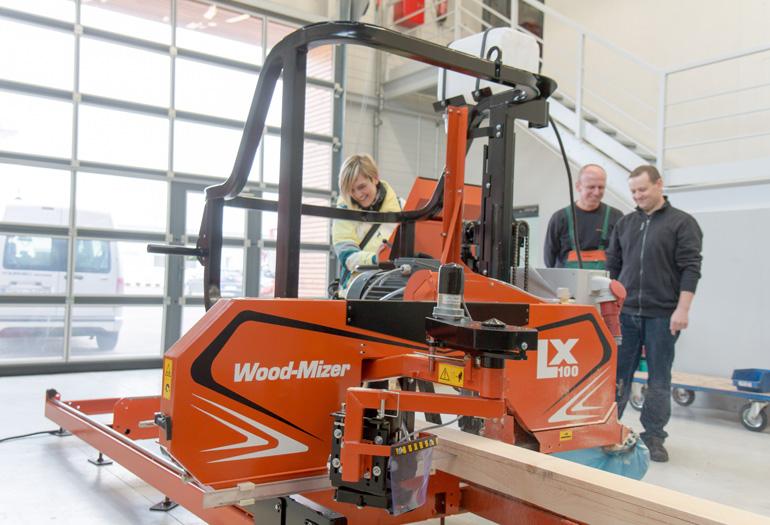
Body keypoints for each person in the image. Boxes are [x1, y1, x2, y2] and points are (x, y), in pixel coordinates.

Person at [606, 165, 703, 463]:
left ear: (659, 184)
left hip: (663, 315)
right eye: (633, 191)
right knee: (617, 375)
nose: (637, 196)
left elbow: (691, 268)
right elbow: (613, 268)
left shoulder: (682, 223)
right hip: (626, 315)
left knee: (659, 377)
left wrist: (682, 309)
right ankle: (608, 430)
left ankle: (654, 437)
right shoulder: (625, 224)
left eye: (643, 189)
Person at [331, 153, 402, 297]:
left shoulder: (402, 207)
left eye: (361, 187)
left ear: (375, 178)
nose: (358, 195)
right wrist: (375, 259)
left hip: (395, 290)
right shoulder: (344, 213)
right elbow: (347, 256)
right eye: (351, 190)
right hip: (357, 292)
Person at [544, 164, 623, 269]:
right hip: (567, 279)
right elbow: (549, 260)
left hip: (604, 280)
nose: (596, 192)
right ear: (578, 186)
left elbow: (622, 256)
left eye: (601, 187)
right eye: (591, 187)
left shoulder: (616, 217)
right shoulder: (560, 218)